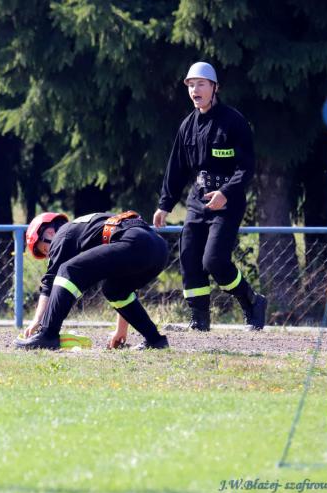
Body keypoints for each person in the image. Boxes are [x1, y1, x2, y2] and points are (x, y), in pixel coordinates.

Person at [153, 61, 267, 332]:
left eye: (201, 84)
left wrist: (226, 193)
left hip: (228, 203)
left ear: (215, 87)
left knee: (214, 261)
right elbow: (176, 169)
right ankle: (199, 320)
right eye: (191, 85)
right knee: (189, 257)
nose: (195, 90)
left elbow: (246, 167)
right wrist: (164, 205)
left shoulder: (234, 122)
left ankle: (252, 301)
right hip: (198, 200)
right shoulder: (187, 126)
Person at [15, 211, 170, 350]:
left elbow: (50, 282)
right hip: (158, 249)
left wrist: (37, 321)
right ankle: (155, 340)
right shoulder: (83, 230)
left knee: (67, 270)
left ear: (49, 232)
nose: (49, 255)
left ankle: (48, 335)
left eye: (45, 249)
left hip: (136, 242)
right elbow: (124, 283)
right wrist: (121, 330)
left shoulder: (62, 235)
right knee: (115, 290)